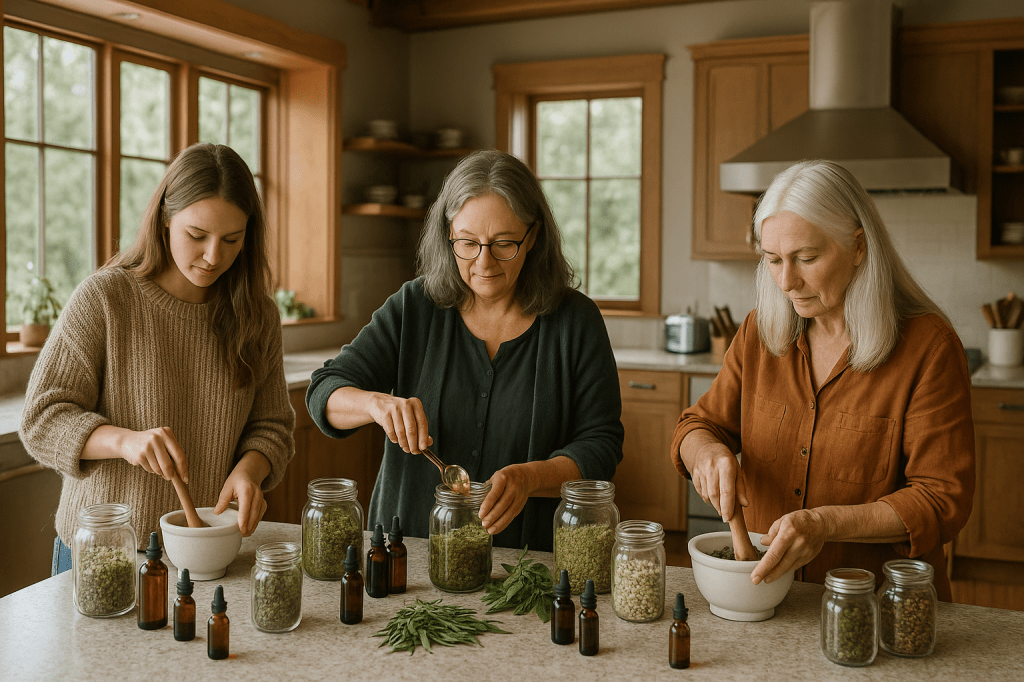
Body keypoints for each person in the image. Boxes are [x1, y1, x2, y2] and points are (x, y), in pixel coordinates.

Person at [672, 159, 974, 600]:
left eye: (806, 258)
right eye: (773, 260)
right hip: (770, 599)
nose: (787, 282)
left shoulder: (929, 347)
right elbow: (695, 426)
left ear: (857, 247)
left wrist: (825, 523)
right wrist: (708, 454)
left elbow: (943, 497)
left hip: (879, 607)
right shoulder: (759, 332)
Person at [306, 149, 624, 551]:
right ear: (448, 233)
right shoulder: (414, 307)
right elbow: (323, 391)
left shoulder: (575, 322)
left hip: (525, 565)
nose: (484, 262)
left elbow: (601, 446)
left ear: (534, 236)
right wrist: (376, 405)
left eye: (504, 243)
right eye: (468, 243)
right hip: (409, 553)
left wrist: (531, 478)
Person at [20, 143, 295, 572]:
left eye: (232, 239)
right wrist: (125, 441)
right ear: (165, 218)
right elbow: (41, 420)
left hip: (202, 556)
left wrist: (250, 472)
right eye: (196, 235)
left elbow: (272, 426)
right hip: (102, 555)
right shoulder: (106, 298)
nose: (213, 256)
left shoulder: (257, 316)